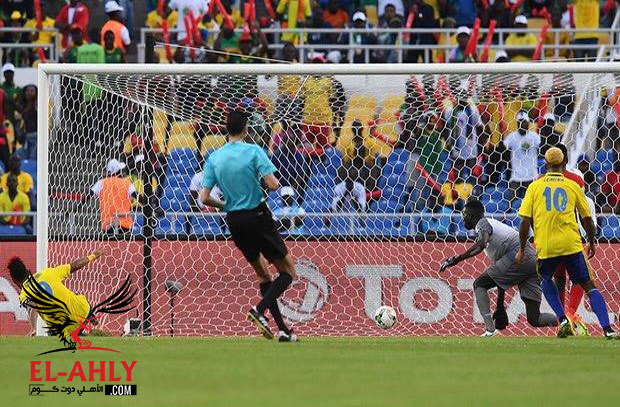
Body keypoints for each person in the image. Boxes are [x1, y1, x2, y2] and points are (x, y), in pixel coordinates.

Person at [200, 111, 298, 342]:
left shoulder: (214, 158)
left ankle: (283, 330)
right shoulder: (254, 151)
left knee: (264, 276)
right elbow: (273, 185)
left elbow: (204, 198)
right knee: (288, 272)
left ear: (226, 129)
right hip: (258, 215)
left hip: (234, 220)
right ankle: (258, 311)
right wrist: (273, 179)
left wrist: (224, 204)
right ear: (246, 130)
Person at [516, 147, 619, 339]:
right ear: (564, 164)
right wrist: (592, 241)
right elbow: (586, 218)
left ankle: (562, 319)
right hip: (571, 244)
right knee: (589, 285)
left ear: (545, 165)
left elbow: (524, 221)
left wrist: (522, 249)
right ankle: (608, 329)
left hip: (547, 246)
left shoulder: (534, 187)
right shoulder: (572, 185)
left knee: (546, 279)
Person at [439, 199, 558, 336]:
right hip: (532, 261)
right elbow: (501, 276)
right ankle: (567, 321)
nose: (463, 219)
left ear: (471, 215)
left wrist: (457, 259)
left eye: (464, 215)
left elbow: (482, 243)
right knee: (535, 318)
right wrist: (500, 306)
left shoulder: (482, 223)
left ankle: (490, 330)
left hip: (519, 255)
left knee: (480, 284)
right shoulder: (495, 232)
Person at [8, 248, 108, 340]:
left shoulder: (24, 294)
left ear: (15, 281)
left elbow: (32, 307)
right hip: (83, 311)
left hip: (64, 328)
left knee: (53, 333)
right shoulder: (47, 273)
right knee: (74, 295)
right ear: (27, 271)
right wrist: (94, 255)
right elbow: (74, 266)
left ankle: (85, 335)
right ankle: (94, 324)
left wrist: (34, 328)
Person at [503, 110, 541, 205]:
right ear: (517, 123)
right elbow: (503, 149)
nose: (522, 124)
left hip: (532, 176)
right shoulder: (512, 137)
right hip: (516, 176)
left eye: (524, 122)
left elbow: (542, 148)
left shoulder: (534, 136)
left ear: (528, 122)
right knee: (511, 203)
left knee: (535, 203)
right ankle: (507, 218)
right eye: (520, 122)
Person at [91, 159, 136, 235]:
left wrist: (75, 209)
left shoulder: (101, 183)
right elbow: (137, 196)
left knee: (110, 245)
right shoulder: (127, 183)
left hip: (108, 224)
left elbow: (89, 195)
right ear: (119, 171)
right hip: (124, 222)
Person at [18, 84, 37, 160]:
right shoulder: (22, 105)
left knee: (33, 158)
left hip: (35, 135)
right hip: (24, 136)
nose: (29, 93)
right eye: (27, 91)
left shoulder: (37, 105)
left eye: (32, 91)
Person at [1, 63, 22, 130]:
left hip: (14, 118)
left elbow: (20, 104)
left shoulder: (18, 89)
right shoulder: (1, 87)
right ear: (4, 74)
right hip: (2, 116)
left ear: (13, 74)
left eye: (10, 72)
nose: (8, 75)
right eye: (6, 72)